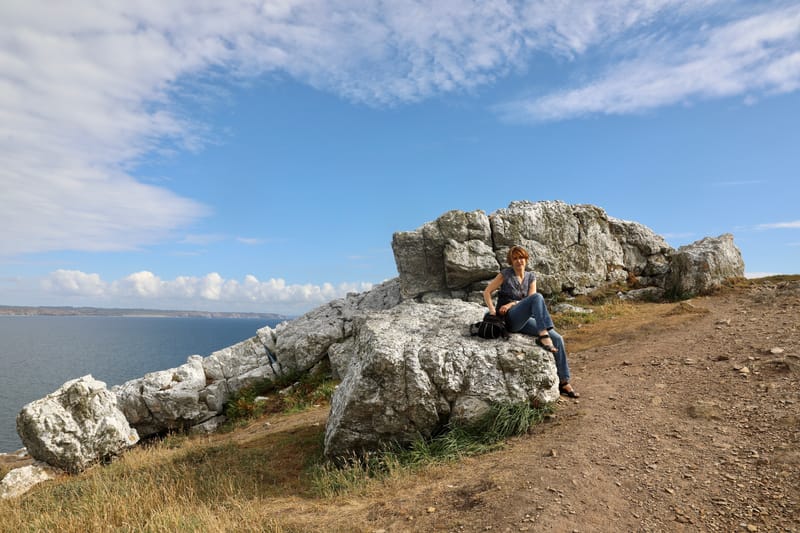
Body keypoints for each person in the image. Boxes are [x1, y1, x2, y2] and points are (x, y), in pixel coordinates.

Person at [483, 245, 580, 398]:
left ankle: (564, 381)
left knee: (558, 339)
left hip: (524, 319)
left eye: (521, 258)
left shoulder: (531, 277)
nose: (518, 261)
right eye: (515, 258)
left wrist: (513, 303)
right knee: (538, 298)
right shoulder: (505, 274)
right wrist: (492, 310)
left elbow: (529, 300)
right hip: (509, 319)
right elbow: (487, 292)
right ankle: (543, 336)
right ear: (511, 261)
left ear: (526, 259)